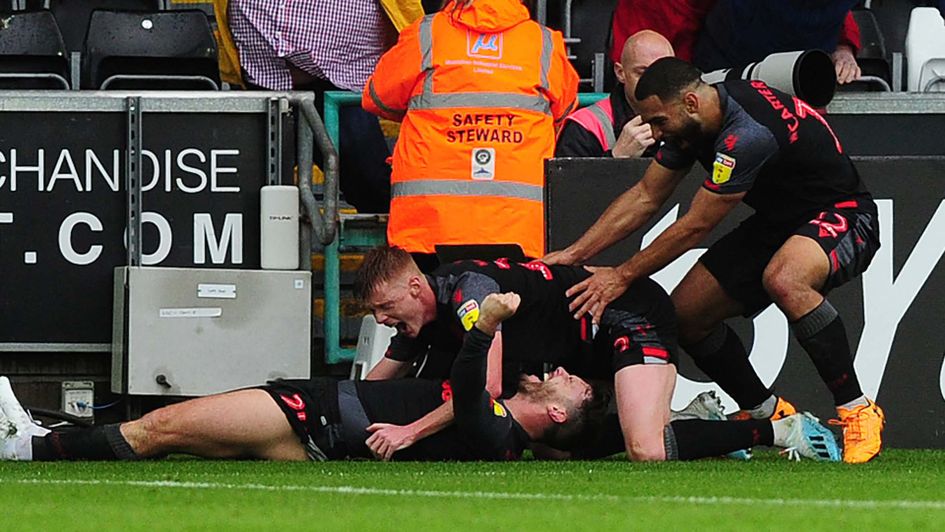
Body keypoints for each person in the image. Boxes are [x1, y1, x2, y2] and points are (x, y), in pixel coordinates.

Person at [544, 57, 884, 463]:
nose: (655, 134)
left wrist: (621, 275)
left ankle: (857, 410)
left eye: (658, 122)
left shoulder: (748, 134)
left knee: (786, 278)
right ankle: (768, 412)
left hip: (844, 213)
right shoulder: (691, 121)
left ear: (690, 102)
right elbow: (645, 196)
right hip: (779, 222)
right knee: (687, 316)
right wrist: (575, 253)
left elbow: (696, 226)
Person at [356, 246, 840, 462]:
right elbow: (373, 386)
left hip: (627, 316)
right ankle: (692, 421)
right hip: (581, 347)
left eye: (385, 307)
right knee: (552, 445)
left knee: (647, 450)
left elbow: (487, 391)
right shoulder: (420, 316)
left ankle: (781, 430)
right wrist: (339, 422)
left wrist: (408, 432)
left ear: (415, 287)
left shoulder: (470, 293)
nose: (381, 319)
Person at [0, 295, 597, 462]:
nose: (567, 372)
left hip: (313, 417)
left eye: (578, 386)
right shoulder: (500, 427)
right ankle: (38, 437)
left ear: (557, 414)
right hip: (318, 424)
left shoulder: (499, 434)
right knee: (170, 434)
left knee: (162, 427)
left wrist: (485, 326)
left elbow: (469, 388)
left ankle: (26, 448)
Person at [363, 0, 579, 266]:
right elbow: (565, 110)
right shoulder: (543, 43)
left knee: (432, 293)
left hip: (430, 226)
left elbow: (377, 97)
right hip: (518, 227)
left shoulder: (426, 34)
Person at [228, 0, 400, 213]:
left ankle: (396, 233)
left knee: (374, 186)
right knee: (242, 191)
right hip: (261, 80)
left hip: (343, 83)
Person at [555, 31, 674, 158]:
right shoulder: (586, 125)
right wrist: (617, 156)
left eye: (664, 74)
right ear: (620, 73)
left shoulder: (686, 118)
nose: (654, 83)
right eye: (642, 73)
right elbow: (568, 171)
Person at [692, 1, 863, 85]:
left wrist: (843, 47)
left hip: (801, 79)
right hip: (724, 69)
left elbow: (840, 13)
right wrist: (684, 72)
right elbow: (687, 8)